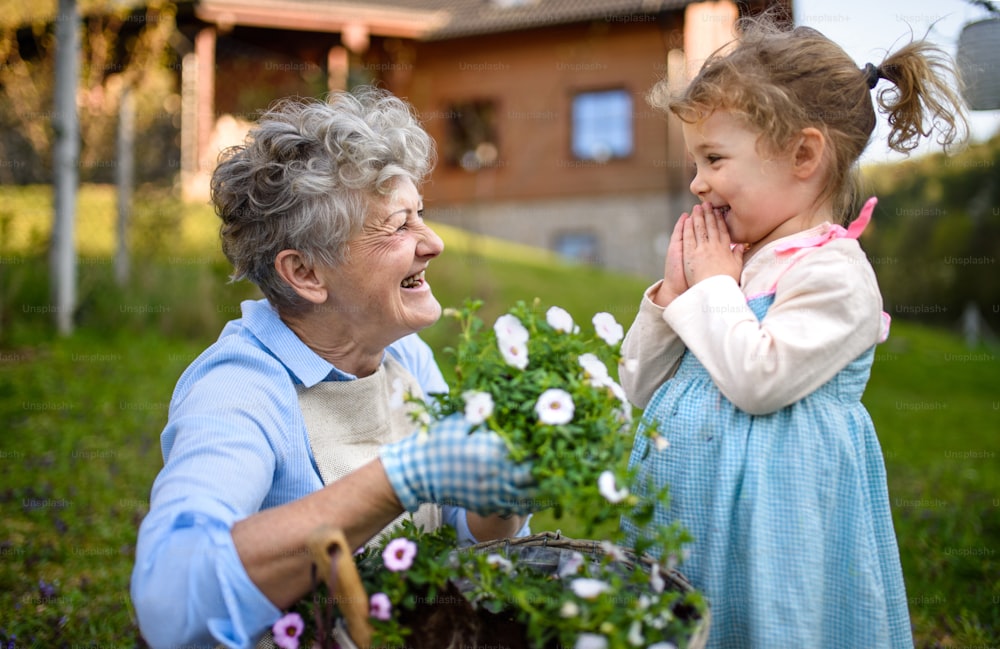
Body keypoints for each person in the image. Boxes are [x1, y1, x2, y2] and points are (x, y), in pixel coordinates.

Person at [130, 86, 536, 649]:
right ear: (306, 274)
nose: (434, 242)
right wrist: (401, 477)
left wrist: (499, 503)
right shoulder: (238, 389)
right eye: (398, 226)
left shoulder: (405, 356)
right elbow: (171, 604)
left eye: (422, 215)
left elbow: (454, 534)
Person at [619, 17, 965, 649]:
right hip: (696, 510)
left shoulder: (835, 275)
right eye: (696, 161)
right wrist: (672, 296)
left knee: (772, 624)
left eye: (715, 159)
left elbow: (758, 381)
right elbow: (638, 386)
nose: (698, 183)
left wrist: (715, 289)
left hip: (782, 523)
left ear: (804, 156)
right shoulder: (730, 264)